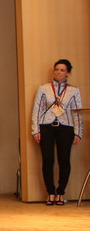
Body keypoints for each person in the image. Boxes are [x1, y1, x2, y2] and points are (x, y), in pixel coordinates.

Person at [32, 59, 83, 205]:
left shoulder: (74, 90)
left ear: (68, 73)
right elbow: (37, 109)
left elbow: (77, 112)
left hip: (66, 127)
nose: (58, 72)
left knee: (64, 160)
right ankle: (50, 192)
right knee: (48, 159)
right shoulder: (44, 88)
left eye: (62, 70)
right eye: (57, 69)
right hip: (46, 126)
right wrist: (35, 130)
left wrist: (78, 132)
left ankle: (61, 192)